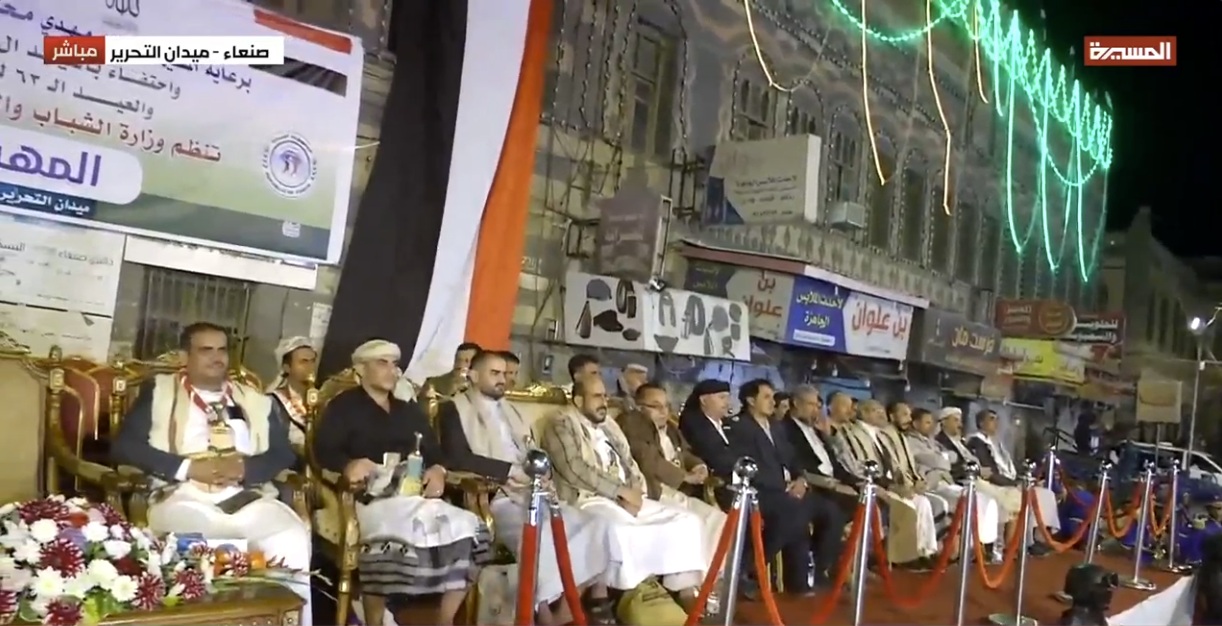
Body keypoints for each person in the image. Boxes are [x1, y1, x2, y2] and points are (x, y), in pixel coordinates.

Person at [111, 322, 312, 624]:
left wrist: (246, 468)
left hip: (246, 495)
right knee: (203, 539)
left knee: (289, 536)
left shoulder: (255, 401)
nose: (216, 357)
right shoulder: (160, 392)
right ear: (185, 356)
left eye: (222, 350)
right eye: (206, 350)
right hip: (182, 494)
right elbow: (125, 447)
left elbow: (283, 453)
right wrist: (188, 467)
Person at [311, 339, 492, 626]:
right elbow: (324, 451)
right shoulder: (342, 407)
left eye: (394, 364)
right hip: (371, 497)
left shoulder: (408, 411)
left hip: (415, 495)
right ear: (361, 370)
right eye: (382, 363)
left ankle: (444, 620)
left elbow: (436, 453)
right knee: (389, 540)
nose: (391, 370)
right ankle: (374, 620)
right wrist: (348, 465)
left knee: (471, 530)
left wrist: (438, 470)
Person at [436, 351, 609, 625]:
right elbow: (457, 458)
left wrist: (543, 470)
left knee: (595, 526)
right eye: (494, 373)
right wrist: (508, 471)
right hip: (497, 495)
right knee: (540, 537)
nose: (502, 379)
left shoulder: (511, 409)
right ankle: (542, 614)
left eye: (504, 374)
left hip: (534, 491)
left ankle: (566, 610)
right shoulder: (453, 408)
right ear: (474, 375)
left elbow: (531, 448)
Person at [540, 377, 707, 611]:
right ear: (578, 400)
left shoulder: (609, 425)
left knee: (687, 521)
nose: (604, 402)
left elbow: (629, 461)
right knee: (618, 529)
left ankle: (684, 590)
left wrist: (637, 490)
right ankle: (611, 595)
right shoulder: (561, 422)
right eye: (596, 396)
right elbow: (574, 468)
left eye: (605, 396)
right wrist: (620, 492)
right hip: (588, 498)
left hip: (626, 495)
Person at [730, 379, 846, 595]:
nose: (772, 402)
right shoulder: (740, 427)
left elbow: (792, 459)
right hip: (762, 491)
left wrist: (800, 479)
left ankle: (818, 571)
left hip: (788, 488)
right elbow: (748, 465)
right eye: (766, 397)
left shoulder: (775, 426)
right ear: (750, 400)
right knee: (795, 512)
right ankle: (750, 566)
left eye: (773, 397)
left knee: (831, 511)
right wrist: (784, 486)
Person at [617, 382, 728, 577]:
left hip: (679, 492)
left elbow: (685, 452)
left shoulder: (670, 427)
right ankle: (685, 584)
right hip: (655, 491)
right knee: (690, 522)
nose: (663, 411)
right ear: (639, 407)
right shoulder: (632, 422)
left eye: (666, 406)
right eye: (656, 406)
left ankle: (711, 578)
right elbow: (647, 458)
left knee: (718, 519)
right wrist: (684, 476)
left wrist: (698, 465)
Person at [826, 392, 940, 570]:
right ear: (863, 413)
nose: (881, 414)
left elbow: (895, 464)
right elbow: (856, 466)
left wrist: (911, 482)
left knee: (922, 502)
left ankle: (923, 552)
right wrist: (891, 486)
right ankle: (897, 557)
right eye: (875, 411)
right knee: (907, 508)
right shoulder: (851, 432)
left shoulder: (882, 435)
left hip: (889, 483)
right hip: (871, 484)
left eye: (881, 411)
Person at [903, 407, 1003, 552]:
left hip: (946, 480)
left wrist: (944, 459)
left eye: (931, 422)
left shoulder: (932, 442)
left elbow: (952, 457)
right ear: (916, 424)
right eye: (927, 422)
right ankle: (947, 550)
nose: (931, 426)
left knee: (982, 499)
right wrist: (944, 460)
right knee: (965, 500)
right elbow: (937, 461)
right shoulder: (911, 441)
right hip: (932, 483)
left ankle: (977, 545)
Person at [965, 409, 1060, 550]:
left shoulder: (996, 442)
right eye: (991, 419)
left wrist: (1024, 479)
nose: (996, 423)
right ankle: (1013, 546)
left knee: (1046, 495)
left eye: (997, 419)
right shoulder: (976, 442)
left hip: (1007, 481)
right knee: (1019, 498)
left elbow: (1009, 467)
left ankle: (1038, 539)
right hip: (991, 483)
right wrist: (1014, 484)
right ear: (981, 423)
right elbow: (990, 471)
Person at [780, 384, 858, 515]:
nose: (815, 410)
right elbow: (800, 465)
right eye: (811, 405)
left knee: (871, 497)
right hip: (817, 486)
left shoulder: (818, 430)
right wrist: (834, 485)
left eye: (817, 406)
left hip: (835, 482)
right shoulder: (785, 429)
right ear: (796, 403)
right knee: (852, 504)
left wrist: (856, 483)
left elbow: (835, 464)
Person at [266, 336, 317, 448]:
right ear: (287, 368)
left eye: (312, 361)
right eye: (304, 362)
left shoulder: (321, 399)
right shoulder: (274, 402)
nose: (310, 367)